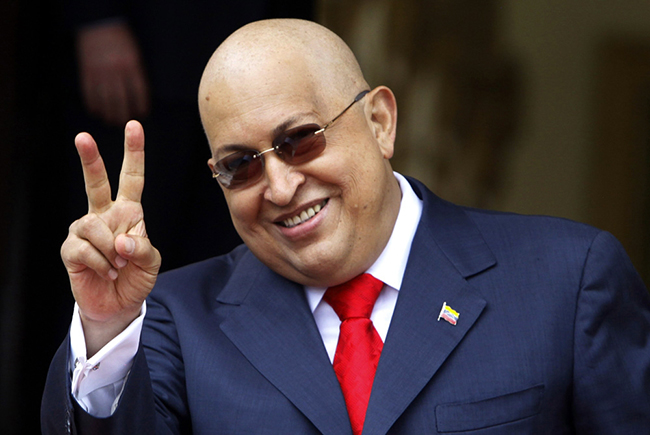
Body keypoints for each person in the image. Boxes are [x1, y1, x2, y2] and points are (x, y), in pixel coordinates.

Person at [42, 19, 650, 434]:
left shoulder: (566, 281)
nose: (280, 187)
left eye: (300, 140)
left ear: (381, 122)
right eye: (241, 165)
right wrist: (106, 326)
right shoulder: (173, 318)